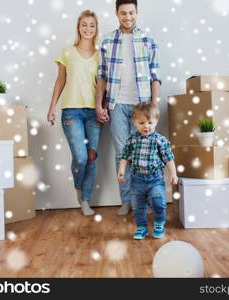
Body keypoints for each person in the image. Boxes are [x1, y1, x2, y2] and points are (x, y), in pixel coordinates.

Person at [95, 0, 162, 215]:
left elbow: (155, 77)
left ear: (137, 12)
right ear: (116, 14)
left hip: (142, 106)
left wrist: (154, 105)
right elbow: (102, 77)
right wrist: (99, 104)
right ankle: (127, 200)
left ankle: (144, 202)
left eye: (131, 13)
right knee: (121, 155)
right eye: (123, 13)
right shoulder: (106, 41)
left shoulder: (148, 41)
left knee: (144, 154)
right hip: (116, 104)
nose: (127, 17)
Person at [47, 10, 101, 216]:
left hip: (94, 113)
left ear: (96, 29)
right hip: (71, 111)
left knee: (91, 157)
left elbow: (102, 86)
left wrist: (103, 107)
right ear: (78, 27)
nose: (88, 29)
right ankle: (79, 187)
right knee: (80, 157)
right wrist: (52, 107)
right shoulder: (67, 52)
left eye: (92, 25)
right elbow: (60, 80)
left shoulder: (101, 55)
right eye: (84, 25)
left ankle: (85, 200)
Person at [118, 102, 178, 239]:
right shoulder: (132, 140)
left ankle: (159, 222)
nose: (146, 126)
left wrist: (173, 174)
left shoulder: (160, 140)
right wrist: (121, 170)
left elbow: (168, 158)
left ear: (156, 121)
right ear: (135, 122)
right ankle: (142, 228)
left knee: (158, 201)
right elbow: (125, 156)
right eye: (142, 122)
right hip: (137, 179)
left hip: (155, 179)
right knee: (138, 206)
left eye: (150, 122)